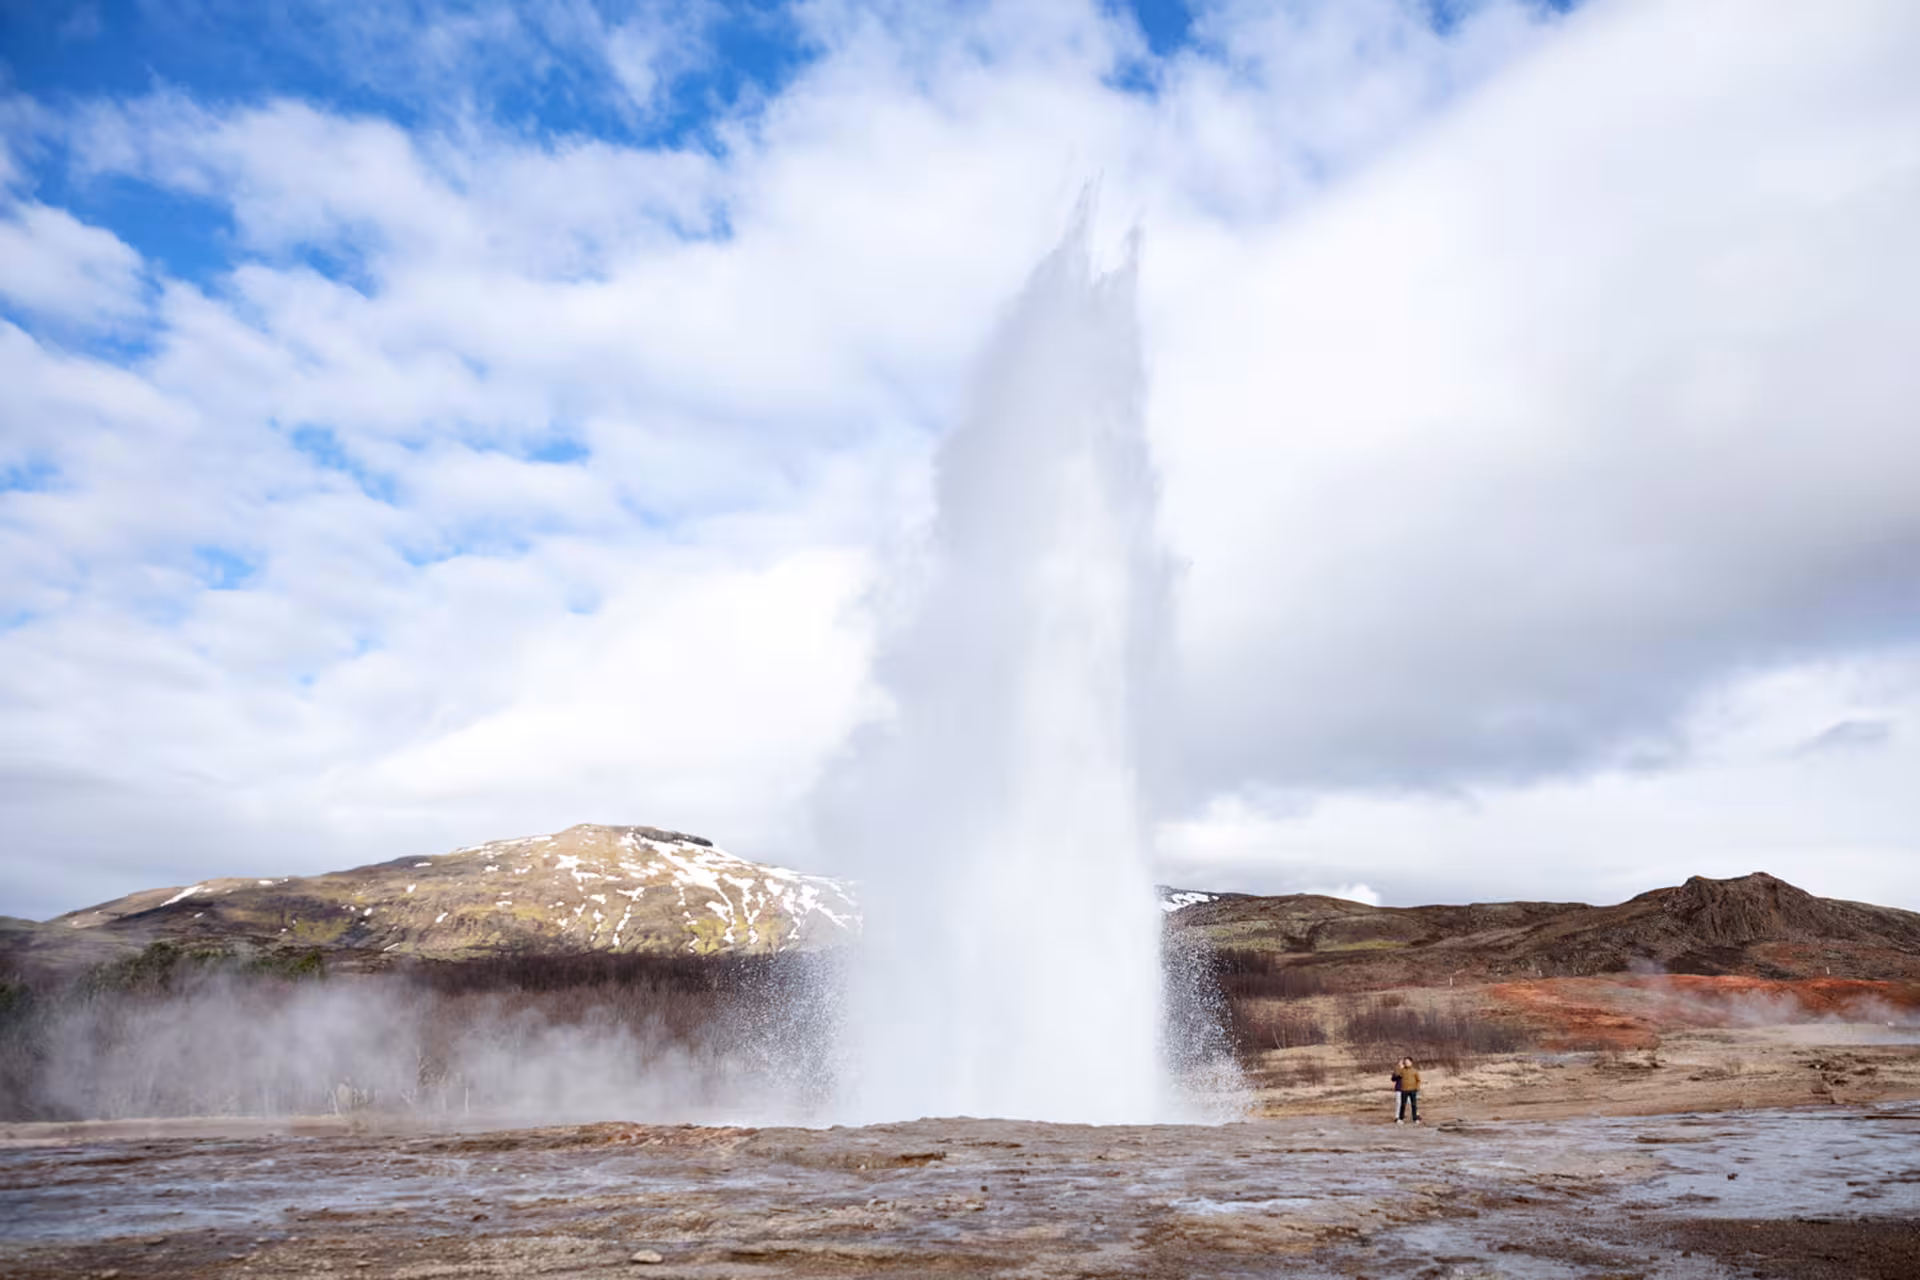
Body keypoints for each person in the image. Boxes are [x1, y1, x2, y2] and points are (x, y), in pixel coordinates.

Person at [1395, 1057, 1421, 1124]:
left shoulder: (1414, 1071)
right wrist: (1399, 1066)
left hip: (1413, 1090)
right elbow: (1396, 1074)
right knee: (1403, 1105)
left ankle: (1415, 1119)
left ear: (1411, 1062)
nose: (1406, 1063)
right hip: (1404, 1090)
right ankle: (1400, 1118)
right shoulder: (1402, 1070)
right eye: (1405, 1062)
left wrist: (1417, 1088)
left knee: (1413, 1105)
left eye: (1408, 1062)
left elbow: (1418, 1080)